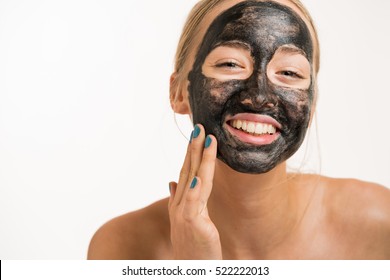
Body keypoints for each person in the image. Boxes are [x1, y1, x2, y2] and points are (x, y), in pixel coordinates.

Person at [87, 0, 390, 259]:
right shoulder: (121, 248)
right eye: (231, 64)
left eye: (289, 72)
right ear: (179, 92)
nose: (259, 96)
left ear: (310, 105)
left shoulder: (380, 224)